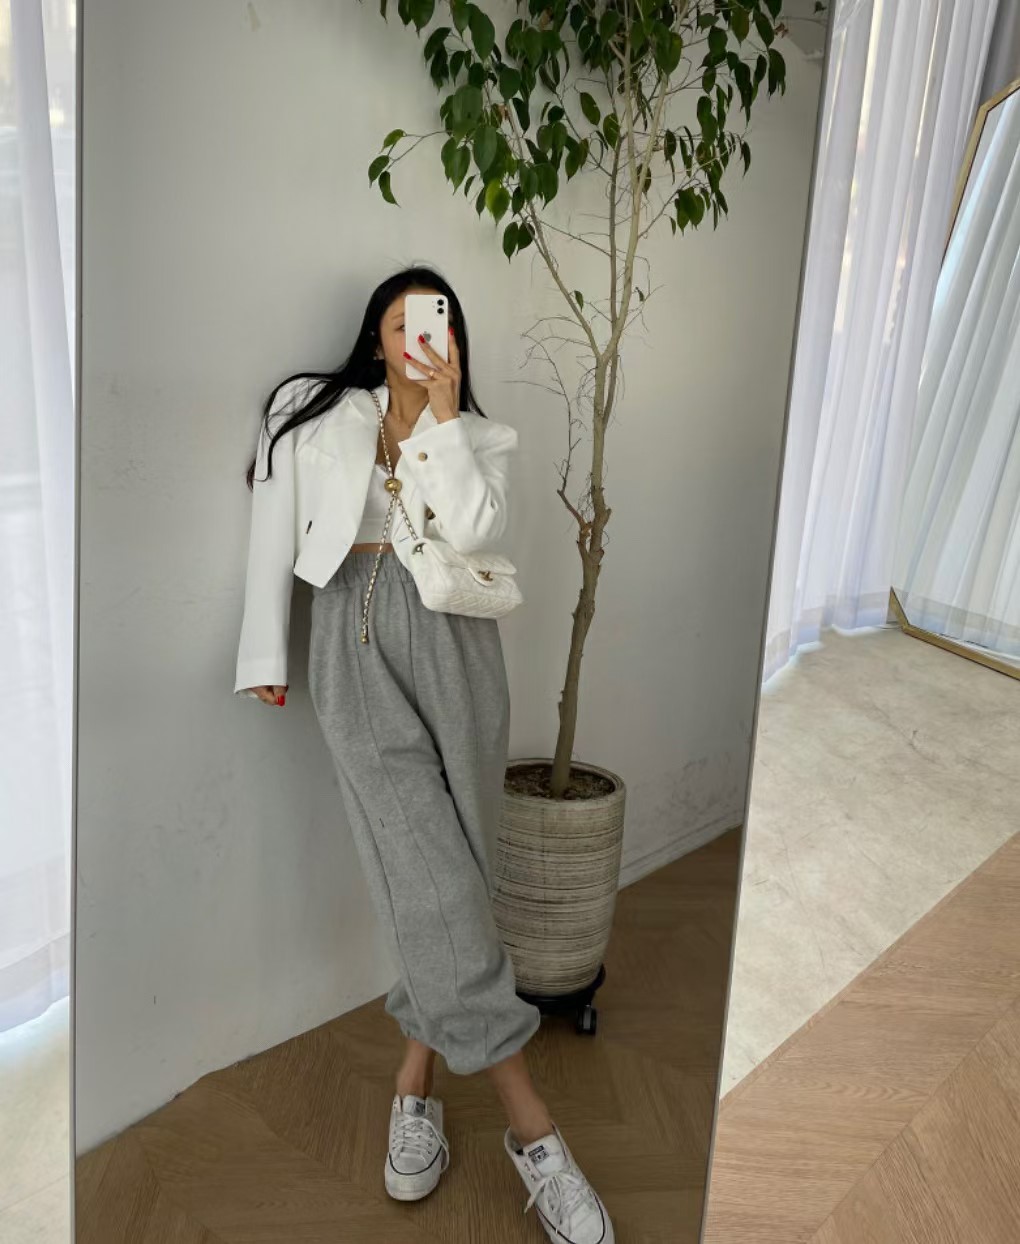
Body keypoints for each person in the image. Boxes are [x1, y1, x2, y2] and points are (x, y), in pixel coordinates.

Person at [234, 266, 614, 1243]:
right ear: (375, 338)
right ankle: (533, 1129)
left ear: (454, 343)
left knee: (455, 874)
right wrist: (263, 651)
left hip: (460, 645)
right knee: (432, 879)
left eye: (434, 326)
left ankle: (415, 1080)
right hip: (353, 633)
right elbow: (271, 522)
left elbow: (477, 529)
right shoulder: (309, 413)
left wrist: (442, 421)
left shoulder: (478, 435)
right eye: (400, 325)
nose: (417, 340)